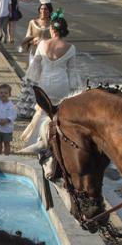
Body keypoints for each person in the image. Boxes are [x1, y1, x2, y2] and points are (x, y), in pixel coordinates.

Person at [18, 14, 80, 152]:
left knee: (42, 111)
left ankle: (36, 141)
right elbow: (72, 71)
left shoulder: (42, 44)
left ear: (52, 29)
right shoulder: (70, 48)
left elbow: (35, 65)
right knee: (58, 113)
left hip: (45, 83)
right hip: (61, 84)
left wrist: (34, 81)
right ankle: (58, 141)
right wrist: (75, 89)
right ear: (64, 30)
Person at [0, 83, 17, 155]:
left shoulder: (11, 105)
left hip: (7, 129)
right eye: (1, 93)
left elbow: (13, 115)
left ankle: (6, 156)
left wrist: (6, 120)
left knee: (6, 143)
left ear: (9, 94)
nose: (3, 94)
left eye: (6, 93)